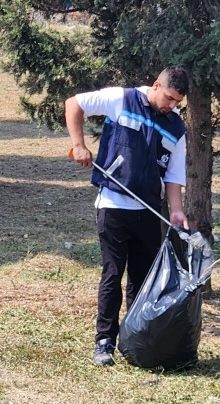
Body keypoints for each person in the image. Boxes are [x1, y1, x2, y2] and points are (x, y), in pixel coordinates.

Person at [64, 67, 189, 366]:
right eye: (169, 98)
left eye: (178, 102)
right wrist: (79, 144)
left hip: (147, 211)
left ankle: (133, 341)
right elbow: (74, 103)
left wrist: (175, 209)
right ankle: (104, 342)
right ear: (157, 85)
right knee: (112, 274)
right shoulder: (121, 99)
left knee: (140, 281)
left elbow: (173, 176)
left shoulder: (176, 128)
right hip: (113, 206)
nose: (172, 106)